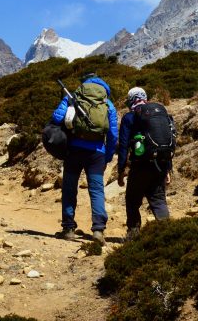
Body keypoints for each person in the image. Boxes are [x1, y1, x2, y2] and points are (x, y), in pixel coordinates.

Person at [51, 72, 118, 243]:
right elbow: (112, 135)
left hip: (74, 149)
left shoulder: (73, 97)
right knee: (96, 191)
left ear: (84, 84)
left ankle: (68, 228)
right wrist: (108, 156)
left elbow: (57, 117)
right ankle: (98, 230)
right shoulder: (107, 103)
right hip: (97, 153)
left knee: (69, 188)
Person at [117, 87, 175, 240]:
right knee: (158, 199)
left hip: (140, 166)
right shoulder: (162, 115)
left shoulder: (130, 117)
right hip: (161, 163)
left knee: (132, 200)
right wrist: (168, 168)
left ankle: (133, 235)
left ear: (130, 100)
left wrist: (121, 170)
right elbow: (168, 141)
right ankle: (168, 237)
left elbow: (123, 146)